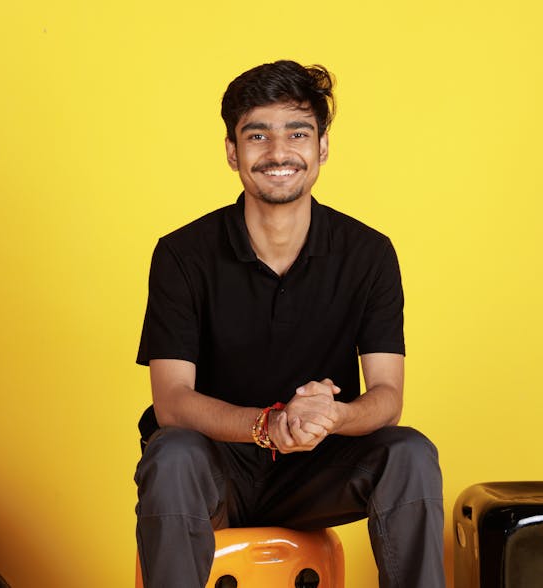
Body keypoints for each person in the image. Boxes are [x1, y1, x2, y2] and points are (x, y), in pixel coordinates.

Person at [134, 60, 444, 588]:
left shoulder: (368, 253)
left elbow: (388, 395)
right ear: (233, 152)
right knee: (173, 451)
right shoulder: (182, 254)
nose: (278, 153)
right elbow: (172, 401)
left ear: (322, 147)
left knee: (410, 452)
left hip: (318, 471)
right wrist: (268, 424)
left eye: (297, 133)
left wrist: (329, 417)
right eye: (258, 135)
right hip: (215, 471)